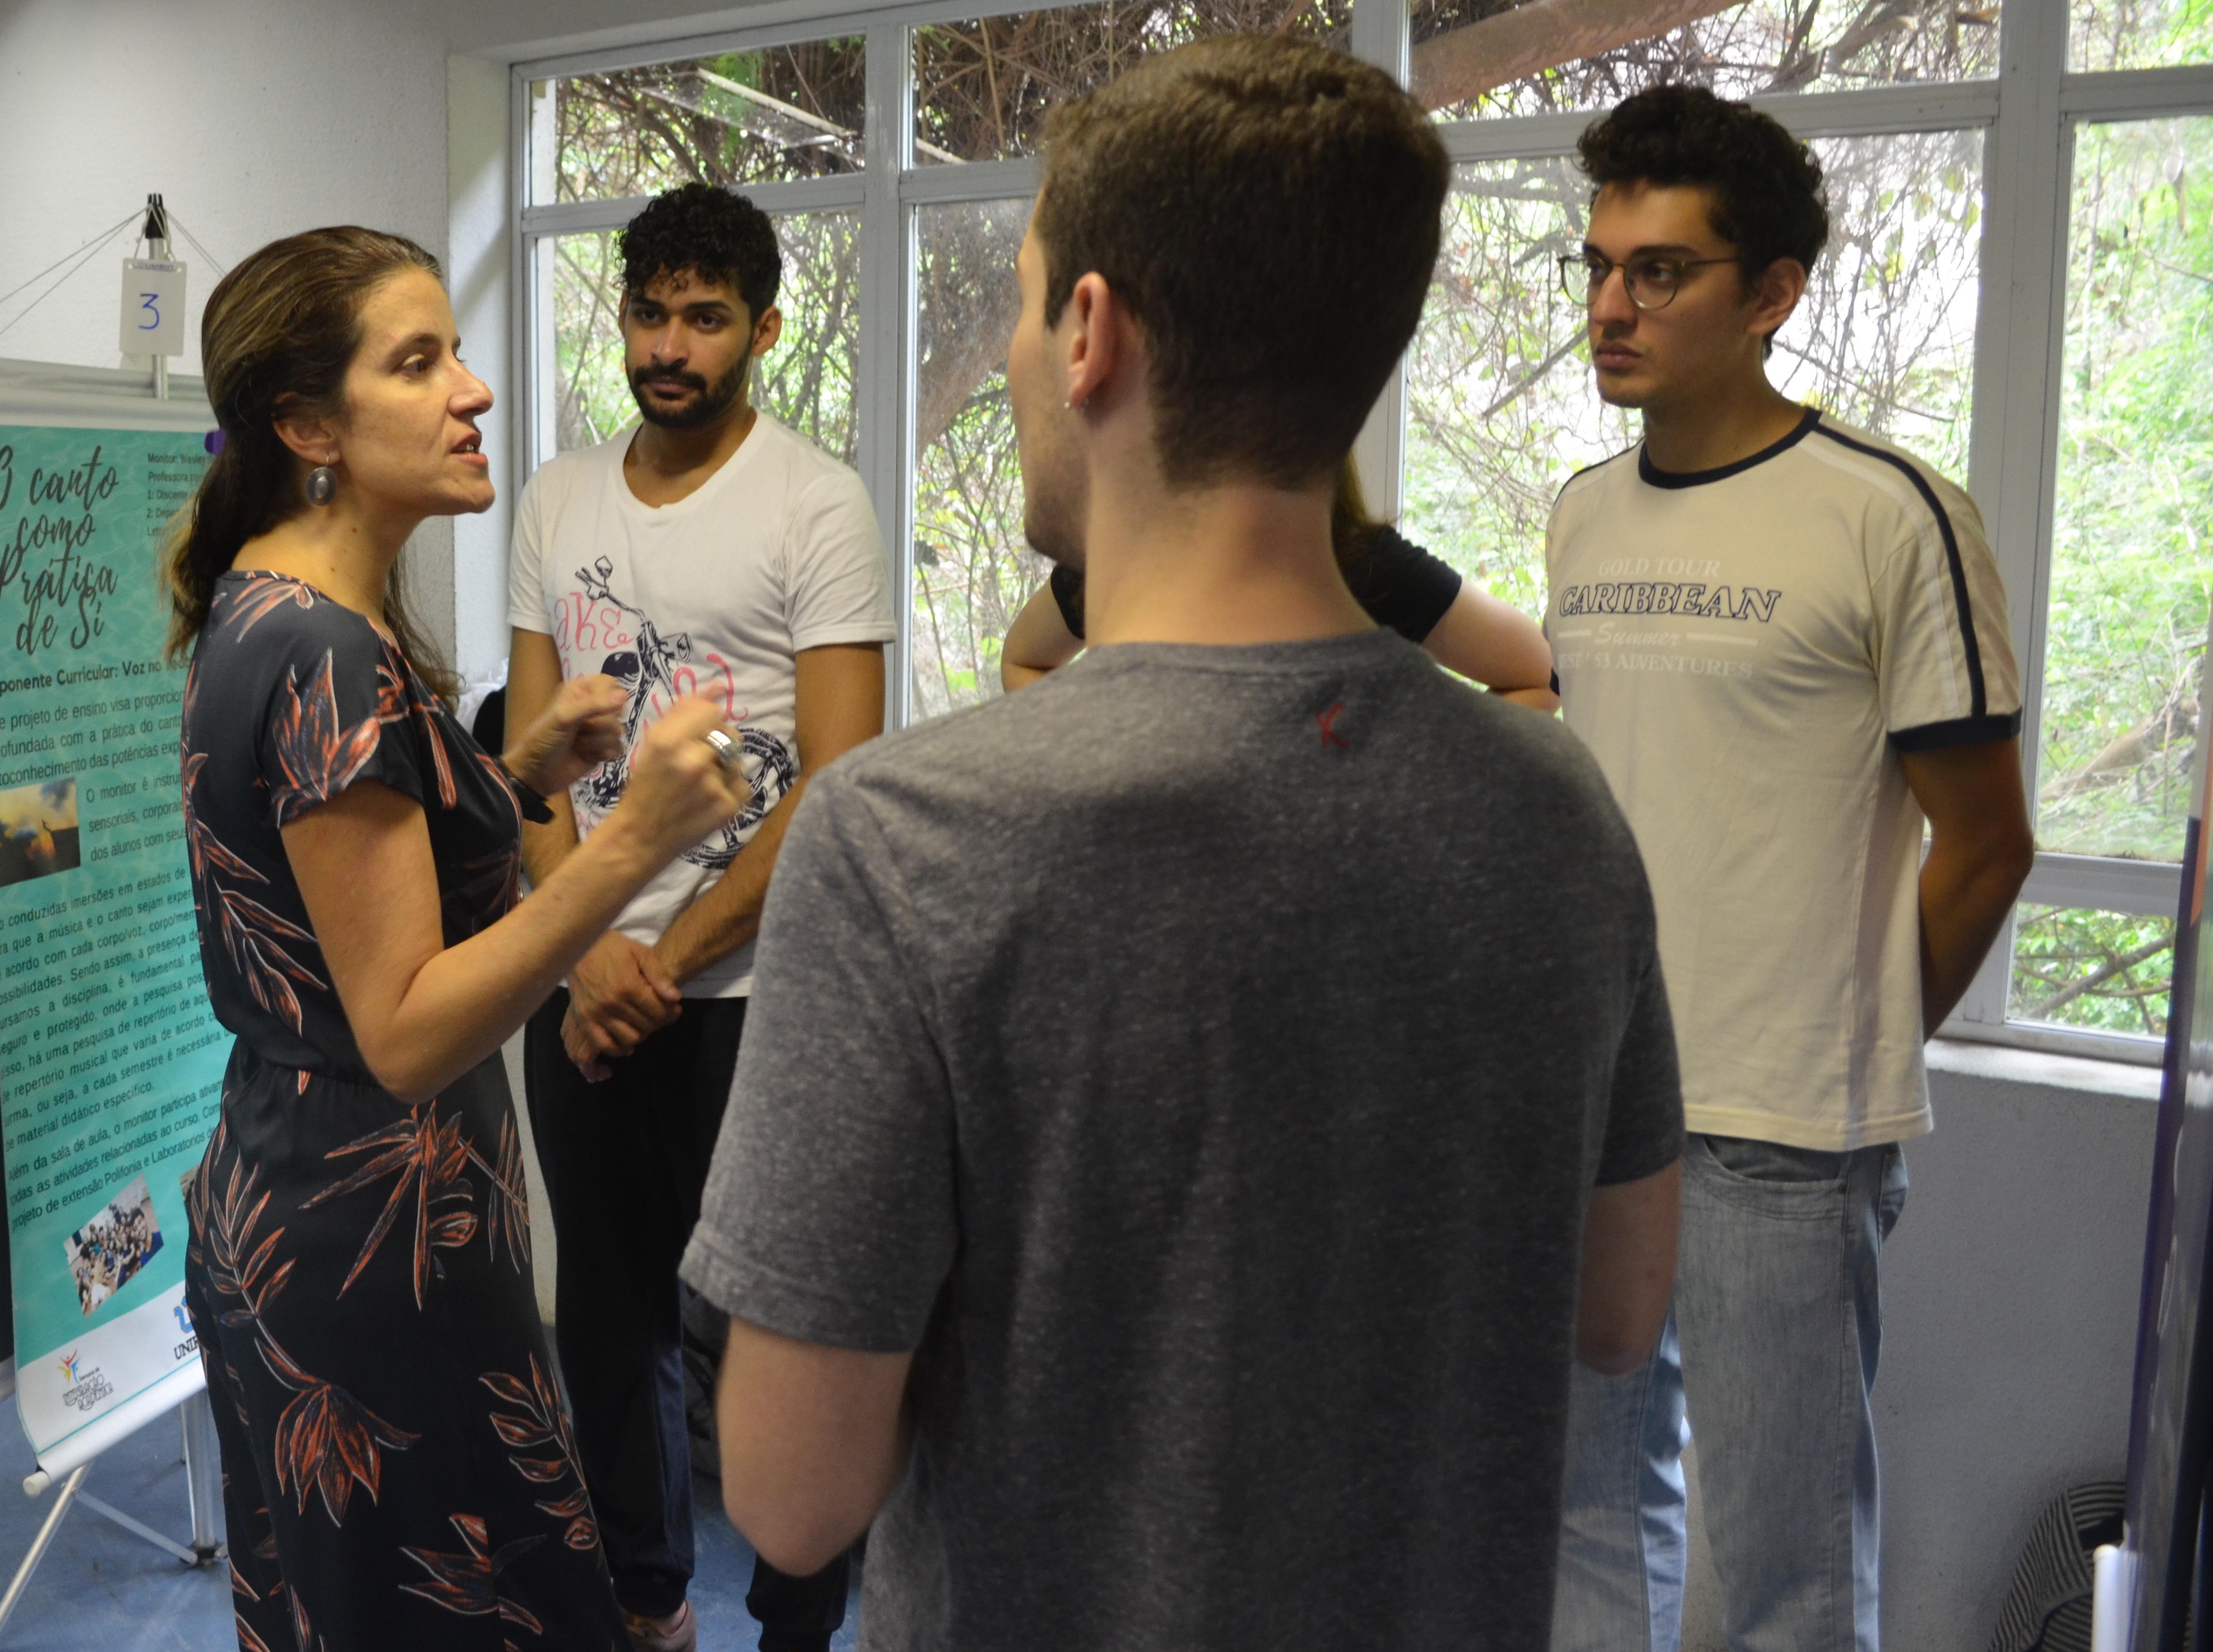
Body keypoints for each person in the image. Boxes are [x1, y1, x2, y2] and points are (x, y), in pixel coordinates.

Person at [680, 35, 1689, 1651]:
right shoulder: (1555, 811)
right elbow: (1617, 1312)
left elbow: (791, 1498)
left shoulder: (903, 841)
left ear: (1089, 334)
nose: (1018, 355)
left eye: (1024, 308)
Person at [171, 226, 747, 1651]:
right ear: (309, 427)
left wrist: (519, 776)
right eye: (417, 362)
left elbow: (348, 883)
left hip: (310, 1205)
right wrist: (630, 842)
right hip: (377, 1251)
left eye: (458, 353)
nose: (472, 390)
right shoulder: (328, 651)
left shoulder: (270, 600)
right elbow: (408, 1027)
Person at [1542, 87, 2036, 1652]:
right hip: (1590, 1104)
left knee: (1779, 1582)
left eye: (1658, 271)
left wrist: (1850, 1051)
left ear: (1770, 293)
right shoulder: (1579, 516)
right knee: (1579, 1525)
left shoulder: (1890, 515)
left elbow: (1986, 840)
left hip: (1781, 1134)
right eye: (1597, 266)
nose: (1610, 307)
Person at [503, 182, 893, 1652]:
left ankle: (796, 1627)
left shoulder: (814, 501)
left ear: (764, 332)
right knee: (610, 1327)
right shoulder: (557, 497)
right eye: (648, 312)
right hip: (583, 979)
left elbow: (838, 781)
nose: (668, 346)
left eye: (705, 318)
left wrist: (655, 962)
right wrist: (582, 948)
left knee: (780, 1334)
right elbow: (531, 759)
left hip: (750, 1003)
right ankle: (648, 1605)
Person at [999, 451, 1558, 705]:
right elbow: (1024, 660)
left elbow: (1541, 676)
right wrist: (1095, 753)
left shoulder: (1364, 565)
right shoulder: (1121, 556)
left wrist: (1410, 770)